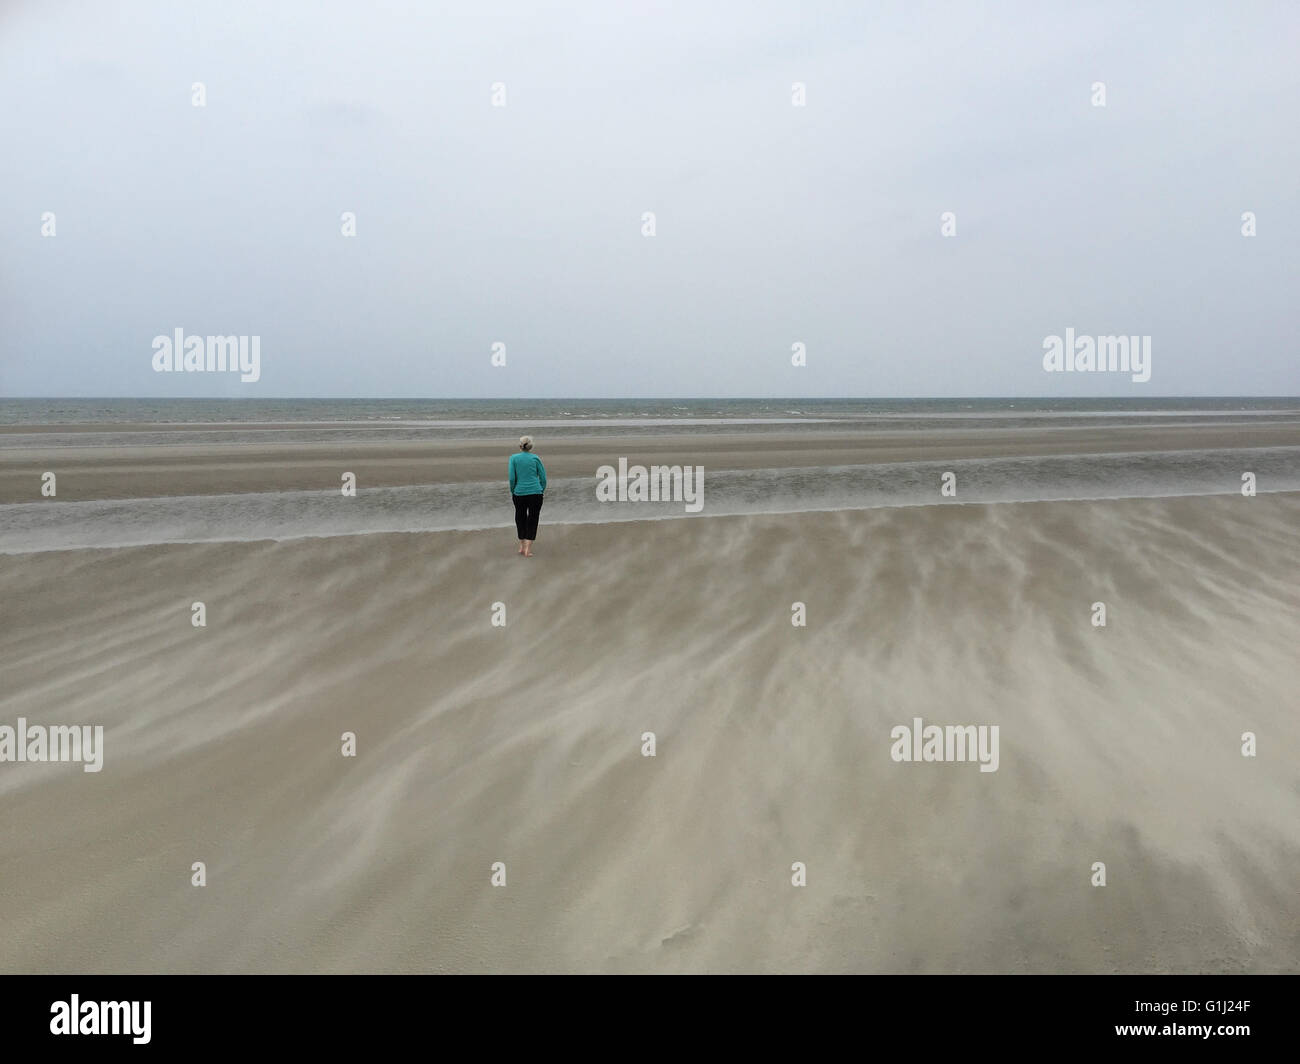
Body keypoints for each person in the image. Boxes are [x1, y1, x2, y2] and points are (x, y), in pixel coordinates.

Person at [508, 435, 546, 556]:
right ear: (531, 446)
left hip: (519, 493)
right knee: (533, 519)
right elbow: (543, 478)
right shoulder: (535, 458)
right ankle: (528, 549)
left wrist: (513, 490)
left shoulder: (513, 458)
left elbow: (512, 478)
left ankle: (522, 545)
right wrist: (541, 489)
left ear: (520, 446)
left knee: (520, 518)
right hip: (535, 493)